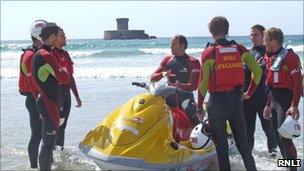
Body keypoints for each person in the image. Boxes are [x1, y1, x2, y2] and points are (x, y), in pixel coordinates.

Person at [198, 16, 260, 171]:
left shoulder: (209, 53)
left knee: (222, 148)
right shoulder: (240, 49)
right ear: (227, 31)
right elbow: (257, 71)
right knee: (244, 146)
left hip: (217, 102)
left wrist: (199, 106)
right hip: (236, 100)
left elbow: (203, 84)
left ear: (211, 32)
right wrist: (249, 92)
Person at [32, 23, 70, 170]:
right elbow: (64, 78)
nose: (59, 38)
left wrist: (62, 71)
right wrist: (63, 71)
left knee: (48, 142)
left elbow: (61, 75)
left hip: (49, 102)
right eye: (57, 35)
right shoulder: (45, 55)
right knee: (48, 145)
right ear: (52, 36)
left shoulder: (43, 53)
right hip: (49, 104)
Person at [263, 27, 302, 171]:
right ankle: (287, 166)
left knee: (285, 137)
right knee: (278, 137)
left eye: (266, 40)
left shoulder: (290, 57)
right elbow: (271, 84)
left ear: (274, 40)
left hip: (286, 100)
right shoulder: (269, 57)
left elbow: (298, 82)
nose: (264, 43)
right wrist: (267, 105)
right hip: (274, 99)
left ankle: (294, 168)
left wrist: (294, 105)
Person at [150, 35, 201, 125]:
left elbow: (194, 86)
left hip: (185, 97)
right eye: (171, 44)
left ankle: (207, 134)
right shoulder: (167, 60)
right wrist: (163, 74)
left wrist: (178, 86)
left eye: (173, 44)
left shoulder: (193, 62)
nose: (171, 46)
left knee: (195, 119)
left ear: (182, 46)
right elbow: (152, 79)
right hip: (168, 97)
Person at [243, 24, 277, 156]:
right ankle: (249, 160)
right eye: (251, 34)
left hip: (264, 99)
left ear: (264, 36)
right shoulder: (246, 53)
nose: (252, 37)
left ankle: (276, 160)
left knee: (269, 130)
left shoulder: (270, 54)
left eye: (255, 34)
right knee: (248, 131)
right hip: (247, 98)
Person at [18, 20, 48, 168]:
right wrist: (41, 106)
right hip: (34, 99)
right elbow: (32, 83)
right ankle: (33, 166)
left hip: (37, 99)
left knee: (43, 135)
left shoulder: (35, 53)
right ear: (40, 36)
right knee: (37, 135)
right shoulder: (30, 56)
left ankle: (41, 164)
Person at [52, 28, 82, 150]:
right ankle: (51, 154)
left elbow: (70, 76)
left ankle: (60, 153)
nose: (65, 37)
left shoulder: (65, 53)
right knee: (55, 126)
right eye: (62, 35)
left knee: (63, 126)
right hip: (57, 94)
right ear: (55, 38)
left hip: (66, 94)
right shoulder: (52, 55)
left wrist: (76, 95)